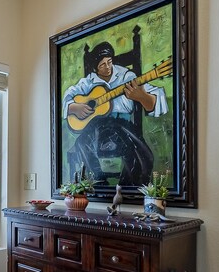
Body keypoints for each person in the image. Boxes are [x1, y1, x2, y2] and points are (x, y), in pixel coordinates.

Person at [62, 41, 168, 186]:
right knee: (82, 143)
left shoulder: (127, 76)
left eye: (109, 62)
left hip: (122, 125)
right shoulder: (88, 81)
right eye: (102, 65)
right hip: (96, 127)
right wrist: (74, 108)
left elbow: (155, 96)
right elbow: (68, 95)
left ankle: (128, 189)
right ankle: (97, 184)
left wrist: (141, 96)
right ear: (95, 68)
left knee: (141, 153)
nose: (107, 67)